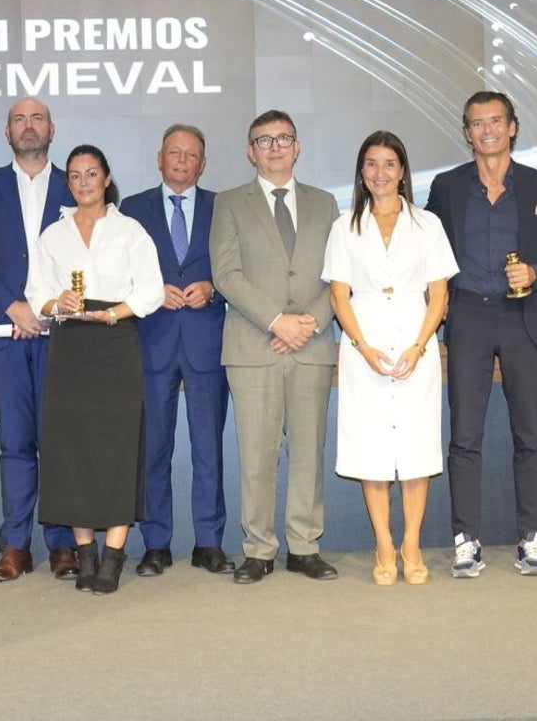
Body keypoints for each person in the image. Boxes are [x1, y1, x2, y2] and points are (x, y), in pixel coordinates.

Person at [426, 91, 537, 578]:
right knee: (464, 435)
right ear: (466, 132)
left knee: (529, 434)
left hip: (522, 317)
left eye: (495, 121)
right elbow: (429, 253)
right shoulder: (446, 188)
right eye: (476, 123)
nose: (486, 130)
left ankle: (531, 537)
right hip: (466, 316)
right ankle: (466, 540)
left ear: (512, 126)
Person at [26, 145, 164, 594]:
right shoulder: (54, 235)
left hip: (115, 344)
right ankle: (85, 553)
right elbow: (35, 294)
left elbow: (152, 292)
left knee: (116, 449)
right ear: (68, 183)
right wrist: (55, 302)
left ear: (106, 179)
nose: (84, 183)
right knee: (74, 451)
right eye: (75, 176)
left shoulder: (130, 231)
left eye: (92, 174)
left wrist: (111, 314)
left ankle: (114, 556)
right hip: (70, 349)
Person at [322, 131, 458, 585]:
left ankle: (411, 543)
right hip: (364, 346)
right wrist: (362, 346)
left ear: (402, 172)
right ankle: (383, 544)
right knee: (372, 450)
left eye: (389, 164)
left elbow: (439, 294)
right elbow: (339, 296)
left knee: (416, 448)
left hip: (416, 342)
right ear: (361, 173)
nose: (380, 173)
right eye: (371, 164)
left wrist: (421, 347)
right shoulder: (344, 227)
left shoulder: (428, 224)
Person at [211, 109, 340, 585]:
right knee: (257, 455)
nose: (275, 147)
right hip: (254, 346)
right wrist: (276, 320)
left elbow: (340, 275)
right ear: (250, 151)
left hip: (311, 344)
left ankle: (304, 547)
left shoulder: (326, 203)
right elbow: (226, 275)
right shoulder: (230, 203)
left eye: (284, 138)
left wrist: (309, 323)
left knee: (308, 452)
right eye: (264, 140)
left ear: (298, 146)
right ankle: (259, 550)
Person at [0, 97, 78, 582]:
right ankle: (14, 546)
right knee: (16, 443)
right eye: (19, 119)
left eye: (37, 119)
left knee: (61, 441)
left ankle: (64, 544)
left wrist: (51, 306)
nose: (29, 127)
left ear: (53, 128)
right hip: (5, 335)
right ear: (6, 132)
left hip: (64, 338)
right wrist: (14, 306)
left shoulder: (78, 182)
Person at [121, 124, 233, 577]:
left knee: (209, 447)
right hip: (152, 340)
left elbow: (235, 269)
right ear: (159, 157)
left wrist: (214, 288)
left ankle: (209, 542)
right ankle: (156, 543)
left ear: (203, 164)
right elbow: (118, 273)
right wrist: (150, 291)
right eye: (174, 153)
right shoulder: (131, 209)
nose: (182, 161)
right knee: (154, 447)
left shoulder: (223, 207)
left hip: (207, 341)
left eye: (191, 155)